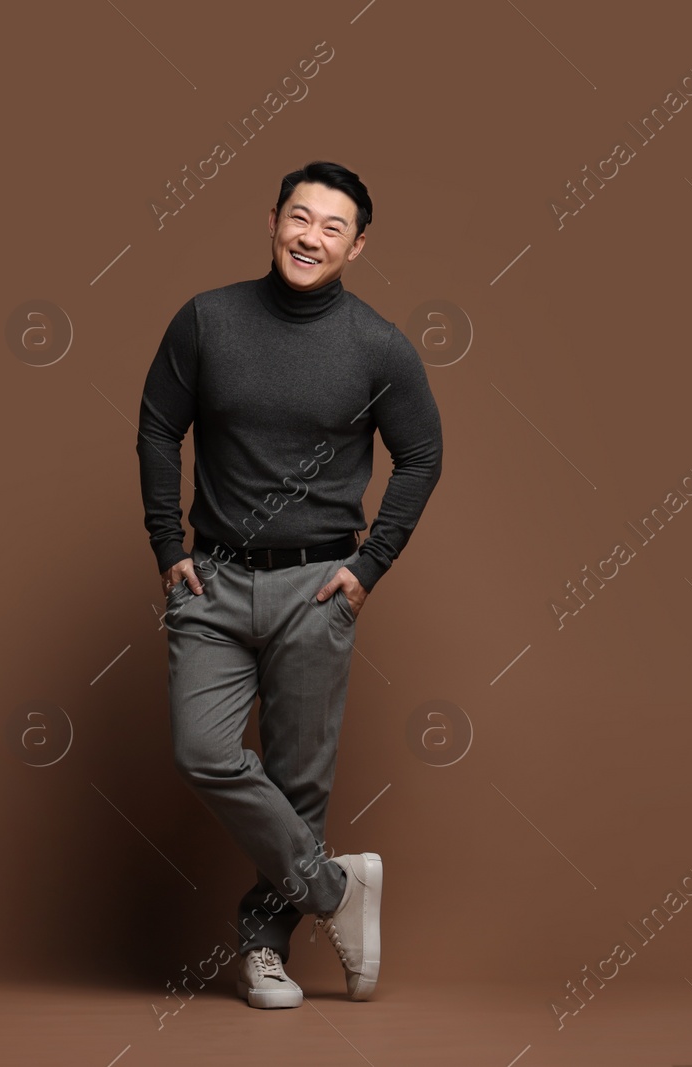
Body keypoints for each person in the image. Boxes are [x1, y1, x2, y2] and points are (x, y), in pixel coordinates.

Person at [136, 160, 443, 1008]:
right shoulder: (208, 320)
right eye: (299, 217)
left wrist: (369, 565)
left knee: (300, 780)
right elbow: (160, 429)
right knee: (204, 750)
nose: (311, 236)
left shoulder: (377, 344)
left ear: (358, 245)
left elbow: (422, 456)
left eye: (332, 226)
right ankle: (339, 892)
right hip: (215, 582)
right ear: (272, 219)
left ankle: (263, 949)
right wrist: (168, 544)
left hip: (318, 586)